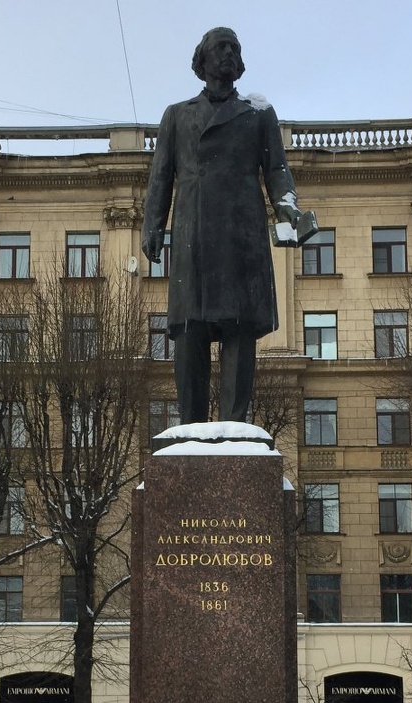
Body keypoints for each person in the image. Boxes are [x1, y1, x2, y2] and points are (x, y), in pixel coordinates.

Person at [143, 27, 310, 424]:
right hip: (193, 233)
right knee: (190, 329)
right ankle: (190, 427)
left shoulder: (258, 114)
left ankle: (237, 424)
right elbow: (161, 176)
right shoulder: (178, 115)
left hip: (241, 232)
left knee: (239, 327)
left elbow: (276, 170)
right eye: (220, 48)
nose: (229, 54)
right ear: (201, 61)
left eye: (235, 48)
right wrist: (153, 225)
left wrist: (288, 207)